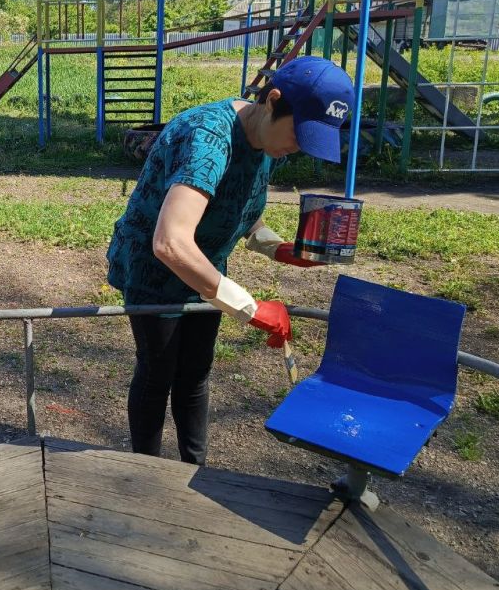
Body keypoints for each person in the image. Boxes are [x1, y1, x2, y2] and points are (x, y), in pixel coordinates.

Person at [106, 56, 354, 465]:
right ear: (273, 100)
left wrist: (275, 247)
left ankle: (195, 469)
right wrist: (249, 308)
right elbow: (170, 242)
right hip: (155, 271)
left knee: (195, 375)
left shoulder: (268, 141)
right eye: (300, 133)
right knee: (157, 373)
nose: (298, 148)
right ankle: (146, 474)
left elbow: (238, 202)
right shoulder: (208, 138)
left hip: (205, 267)